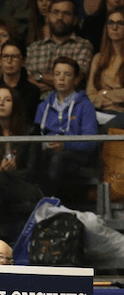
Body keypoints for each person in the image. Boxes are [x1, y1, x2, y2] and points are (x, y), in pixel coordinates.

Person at [0, 83, 42, 240]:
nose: (1, 103)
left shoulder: (31, 132)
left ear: (15, 104)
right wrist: (0, 170)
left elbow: (33, 172)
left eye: (7, 100)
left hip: (25, 188)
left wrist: (11, 171)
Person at [35, 56, 99, 197]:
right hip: (47, 151)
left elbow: (91, 142)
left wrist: (65, 145)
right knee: (34, 157)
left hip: (75, 154)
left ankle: (46, 201)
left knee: (58, 158)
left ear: (76, 79)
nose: (61, 79)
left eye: (67, 74)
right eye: (57, 74)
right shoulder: (43, 106)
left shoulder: (85, 106)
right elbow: (35, 133)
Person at [26, 0, 95, 95]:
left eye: (66, 13)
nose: (60, 17)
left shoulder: (83, 46)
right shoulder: (34, 48)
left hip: (69, 106)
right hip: (35, 104)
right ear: (47, 17)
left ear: (75, 20)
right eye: (55, 12)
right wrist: (60, 83)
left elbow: (74, 82)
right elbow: (26, 82)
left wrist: (39, 76)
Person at [0, 38, 42, 123]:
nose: (9, 61)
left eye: (14, 56)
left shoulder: (32, 91)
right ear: (0, 60)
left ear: (23, 61)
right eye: (5, 56)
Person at [86, 8, 124, 131]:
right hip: (99, 111)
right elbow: (90, 94)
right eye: (111, 22)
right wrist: (114, 97)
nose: (114, 27)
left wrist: (104, 93)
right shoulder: (98, 58)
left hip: (121, 114)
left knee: (105, 130)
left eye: (120, 23)